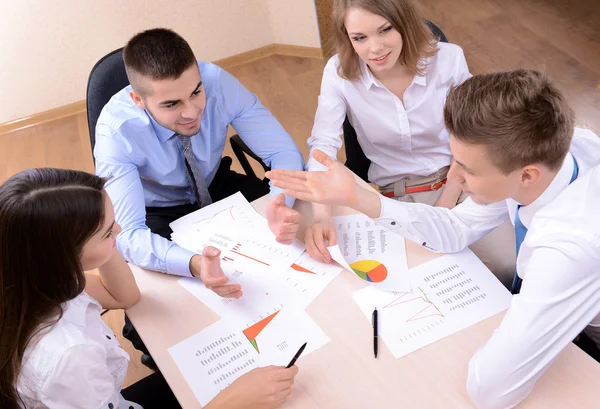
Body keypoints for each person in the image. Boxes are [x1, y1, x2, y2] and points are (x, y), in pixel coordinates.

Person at [266, 69, 600, 408]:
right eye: (454, 159)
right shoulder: (550, 154)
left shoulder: (568, 247)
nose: (452, 177)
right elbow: (455, 230)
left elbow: (491, 392)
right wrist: (358, 197)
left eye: (467, 170)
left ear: (527, 176)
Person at [0, 168, 298, 409]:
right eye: (107, 231)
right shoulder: (69, 354)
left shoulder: (35, 278)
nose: (119, 231)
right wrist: (233, 402)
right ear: (64, 255)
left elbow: (123, 296)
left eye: (113, 220)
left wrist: (103, 240)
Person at [94, 28, 305, 367]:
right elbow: (129, 234)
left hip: (215, 182)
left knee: (301, 238)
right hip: (159, 208)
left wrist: (279, 202)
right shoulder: (115, 132)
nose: (192, 111)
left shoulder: (217, 80)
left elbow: (283, 153)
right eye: (171, 104)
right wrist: (193, 264)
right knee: (157, 315)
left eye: (196, 92)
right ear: (138, 99)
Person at [303, 0, 515, 282]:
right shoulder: (338, 73)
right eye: (360, 38)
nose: (375, 48)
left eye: (385, 30)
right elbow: (322, 146)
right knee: (421, 280)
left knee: (506, 265)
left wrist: (447, 201)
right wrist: (322, 217)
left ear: (404, 23)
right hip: (399, 197)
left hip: (462, 182)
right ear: (347, 38)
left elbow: (472, 133)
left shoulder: (449, 59)